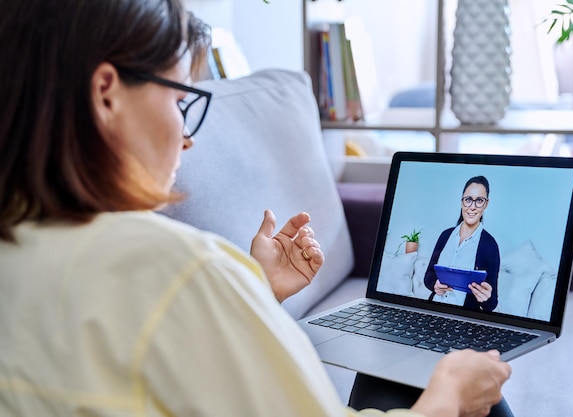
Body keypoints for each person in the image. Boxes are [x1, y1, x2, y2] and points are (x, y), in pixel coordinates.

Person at [0, 1, 511, 416]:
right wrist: (447, 399)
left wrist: (255, 292)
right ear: (107, 94)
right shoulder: (181, 269)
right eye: (181, 101)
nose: (187, 137)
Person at [424, 176, 500, 312]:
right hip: (433, 311)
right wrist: (435, 284)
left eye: (479, 201)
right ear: (462, 202)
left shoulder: (490, 245)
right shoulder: (445, 235)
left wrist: (486, 298)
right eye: (468, 200)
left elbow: (492, 302)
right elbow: (428, 275)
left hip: (463, 320)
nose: (472, 207)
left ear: (486, 204)